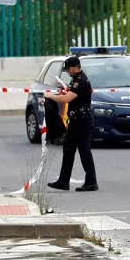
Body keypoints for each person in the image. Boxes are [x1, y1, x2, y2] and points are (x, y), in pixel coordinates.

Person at [47, 55, 98, 192]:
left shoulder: (81, 81)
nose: (68, 72)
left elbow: (67, 98)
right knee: (69, 150)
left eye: (68, 69)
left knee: (84, 151)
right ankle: (64, 181)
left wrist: (50, 96)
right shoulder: (76, 79)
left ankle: (91, 182)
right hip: (77, 121)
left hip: (82, 121)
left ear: (75, 67)